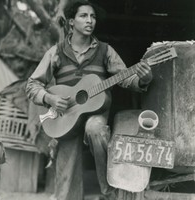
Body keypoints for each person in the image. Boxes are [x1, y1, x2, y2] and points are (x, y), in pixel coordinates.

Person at [26, 0, 153, 199]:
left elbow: (126, 77)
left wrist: (142, 79)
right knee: (66, 182)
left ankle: (107, 191)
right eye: (83, 16)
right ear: (70, 22)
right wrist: (49, 98)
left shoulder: (105, 50)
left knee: (95, 130)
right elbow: (32, 85)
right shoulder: (56, 52)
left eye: (93, 17)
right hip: (66, 117)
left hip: (96, 113)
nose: (90, 21)